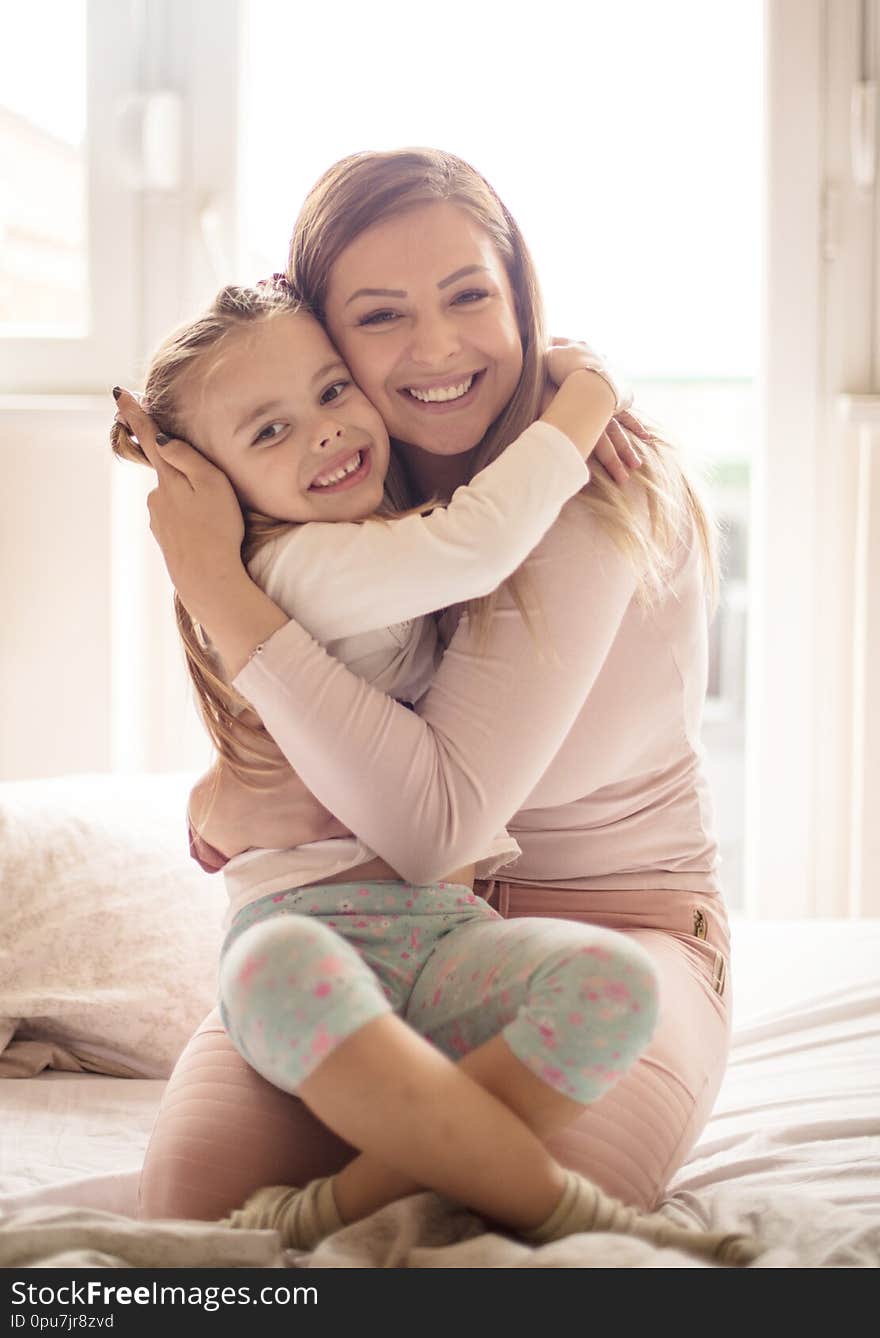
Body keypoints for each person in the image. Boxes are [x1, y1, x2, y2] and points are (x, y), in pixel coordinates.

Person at [123, 147, 733, 1246]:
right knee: (194, 1233)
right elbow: (249, 796)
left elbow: (427, 820)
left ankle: (359, 1192)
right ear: (327, 336)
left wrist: (208, 575)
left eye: (469, 297)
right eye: (381, 316)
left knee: (491, 1234)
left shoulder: (587, 487)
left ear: (520, 297)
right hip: (375, 936)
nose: (438, 348)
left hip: (612, 931)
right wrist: (220, 812)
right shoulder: (349, 476)